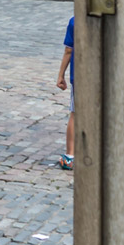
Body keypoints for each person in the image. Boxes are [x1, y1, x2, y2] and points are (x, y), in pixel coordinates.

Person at [55, 13, 75, 168]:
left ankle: (70, 156)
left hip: (80, 77)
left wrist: (61, 75)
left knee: (75, 115)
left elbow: (68, 51)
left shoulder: (74, 22)